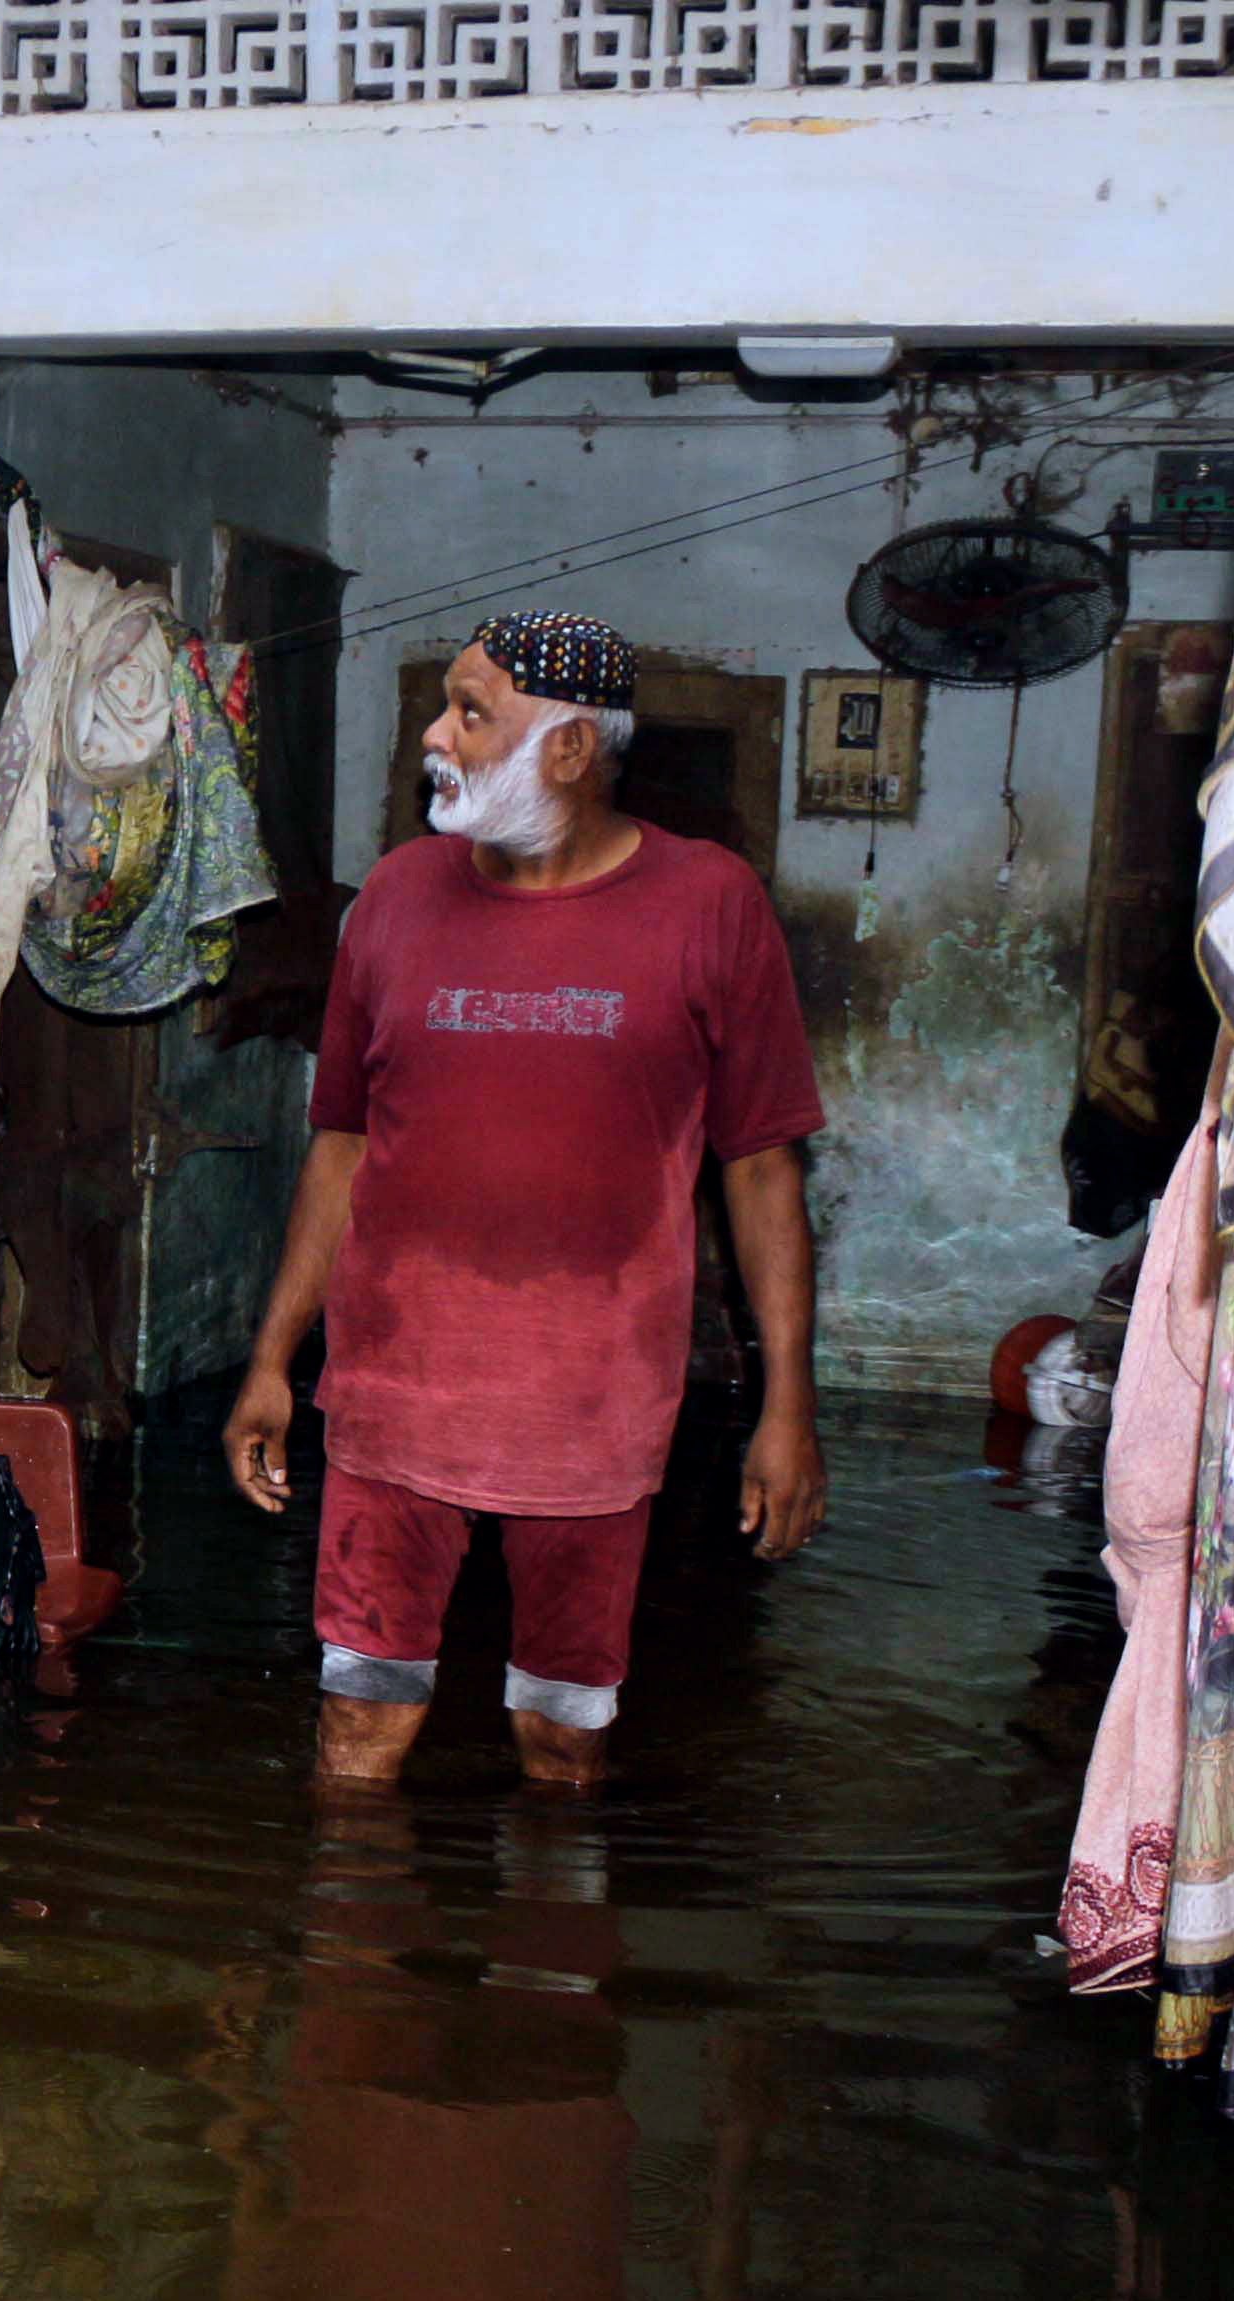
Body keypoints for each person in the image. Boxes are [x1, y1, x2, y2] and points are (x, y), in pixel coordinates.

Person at [223, 613, 829, 1790]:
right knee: (359, 1731)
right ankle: (351, 1966)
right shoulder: (395, 899)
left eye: (470, 711)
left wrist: (787, 1408)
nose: (435, 737)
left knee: (562, 1738)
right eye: (444, 705)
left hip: (592, 1415)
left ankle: (546, 1966)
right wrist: (271, 1361)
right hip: (392, 1405)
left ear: (569, 750)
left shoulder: (710, 905)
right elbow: (342, 1147)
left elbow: (761, 1168)